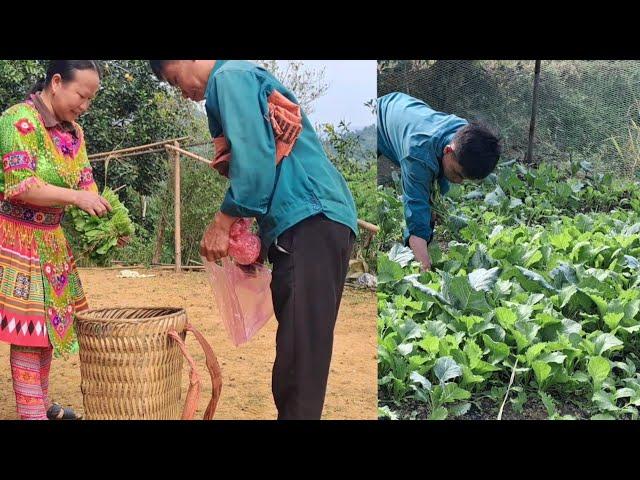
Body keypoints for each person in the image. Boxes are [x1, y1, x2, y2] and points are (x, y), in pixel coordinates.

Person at [149, 60, 358, 420]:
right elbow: (265, 157)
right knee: (299, 352)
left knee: (301, 361)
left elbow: (256, 159)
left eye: (175, 79)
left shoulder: (229, 77)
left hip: (311, 217)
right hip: (308, 221)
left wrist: (223, 221)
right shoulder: (237, 78)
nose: (182, 92)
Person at [0, 60, 115, 420]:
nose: (84, 105)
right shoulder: (18, 121)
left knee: (48, 328)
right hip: (17, 239)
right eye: (81, 94)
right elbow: (21, 186)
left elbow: (85, 182)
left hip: (52, 243)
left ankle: (42, 402)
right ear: (56, 82)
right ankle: (31, 411)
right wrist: (77, 198)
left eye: (90, 99)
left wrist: (106, 217)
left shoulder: (74, 134)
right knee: (27, 330)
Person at [377, 91, 501, 270]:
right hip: (379, 117)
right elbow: (416, 210)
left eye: (465, 179)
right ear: (448, 150)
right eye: (458, 174)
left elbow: (439, 182)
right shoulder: (417, 157)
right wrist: (425, 267)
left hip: (405, 108)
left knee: (430, 203)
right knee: (420, 213)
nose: (458, 182)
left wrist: (433, 205)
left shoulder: (465, 133)